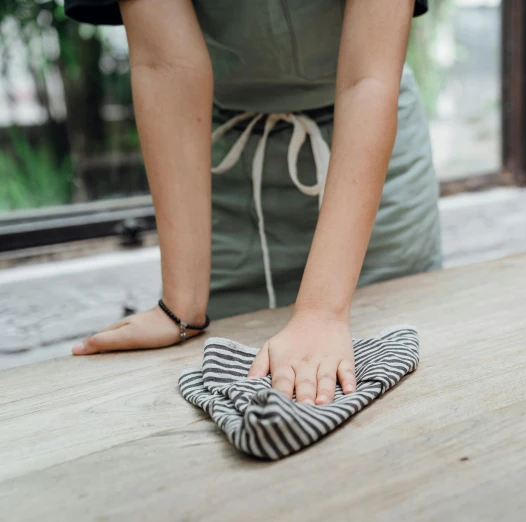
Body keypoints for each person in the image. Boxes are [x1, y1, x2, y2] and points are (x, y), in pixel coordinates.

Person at [64, 0, 441, 406]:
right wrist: (181, 307)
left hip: (369, 171)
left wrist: (322, 313)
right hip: (222, 176)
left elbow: (367, 80)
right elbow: (166, 66)